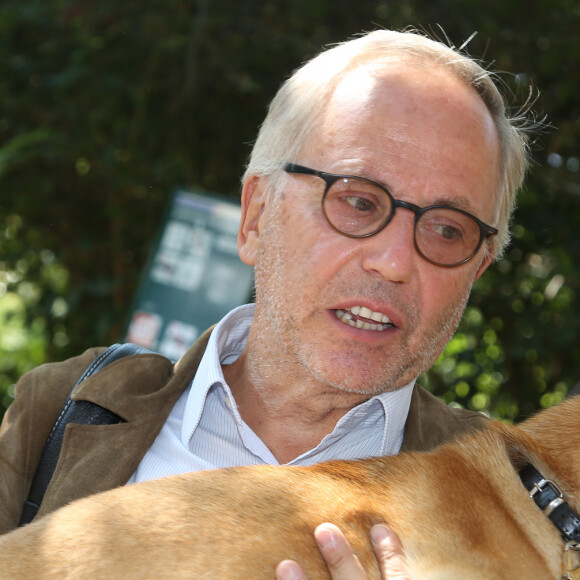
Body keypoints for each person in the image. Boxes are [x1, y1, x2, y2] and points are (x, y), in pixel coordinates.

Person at [0, 28, 530, 579]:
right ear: (256, 216)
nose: (394, 262)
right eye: (357, 200)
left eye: (447, 230)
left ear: (477, 269)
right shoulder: (64, 410)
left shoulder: (511, 508)